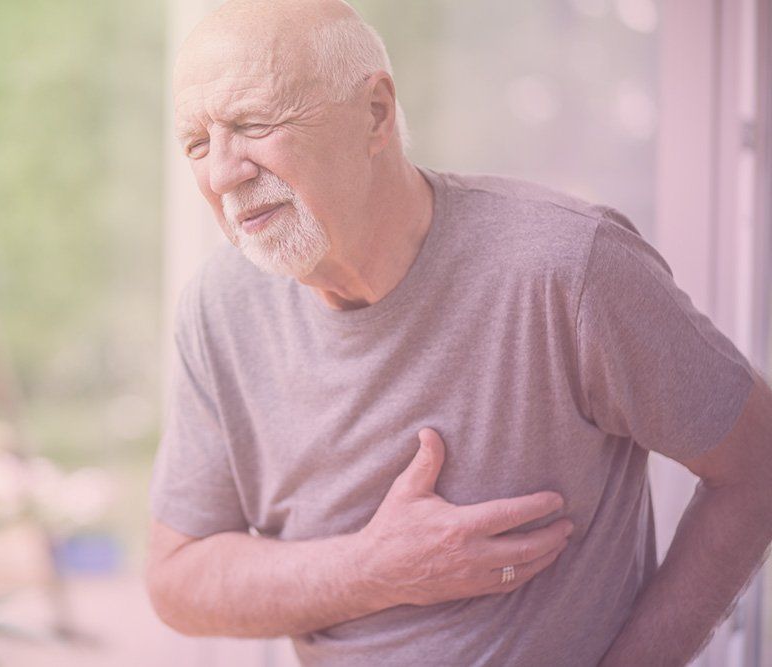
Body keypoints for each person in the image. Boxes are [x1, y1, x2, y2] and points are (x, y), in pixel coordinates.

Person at [145, 0, 772, 664]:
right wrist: (371, 567)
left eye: (253, 123)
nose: (221, 173)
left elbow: (756, 464)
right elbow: (178, 576)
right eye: (196, 142)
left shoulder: (569, 269)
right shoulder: (219, 309)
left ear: (375, 114)